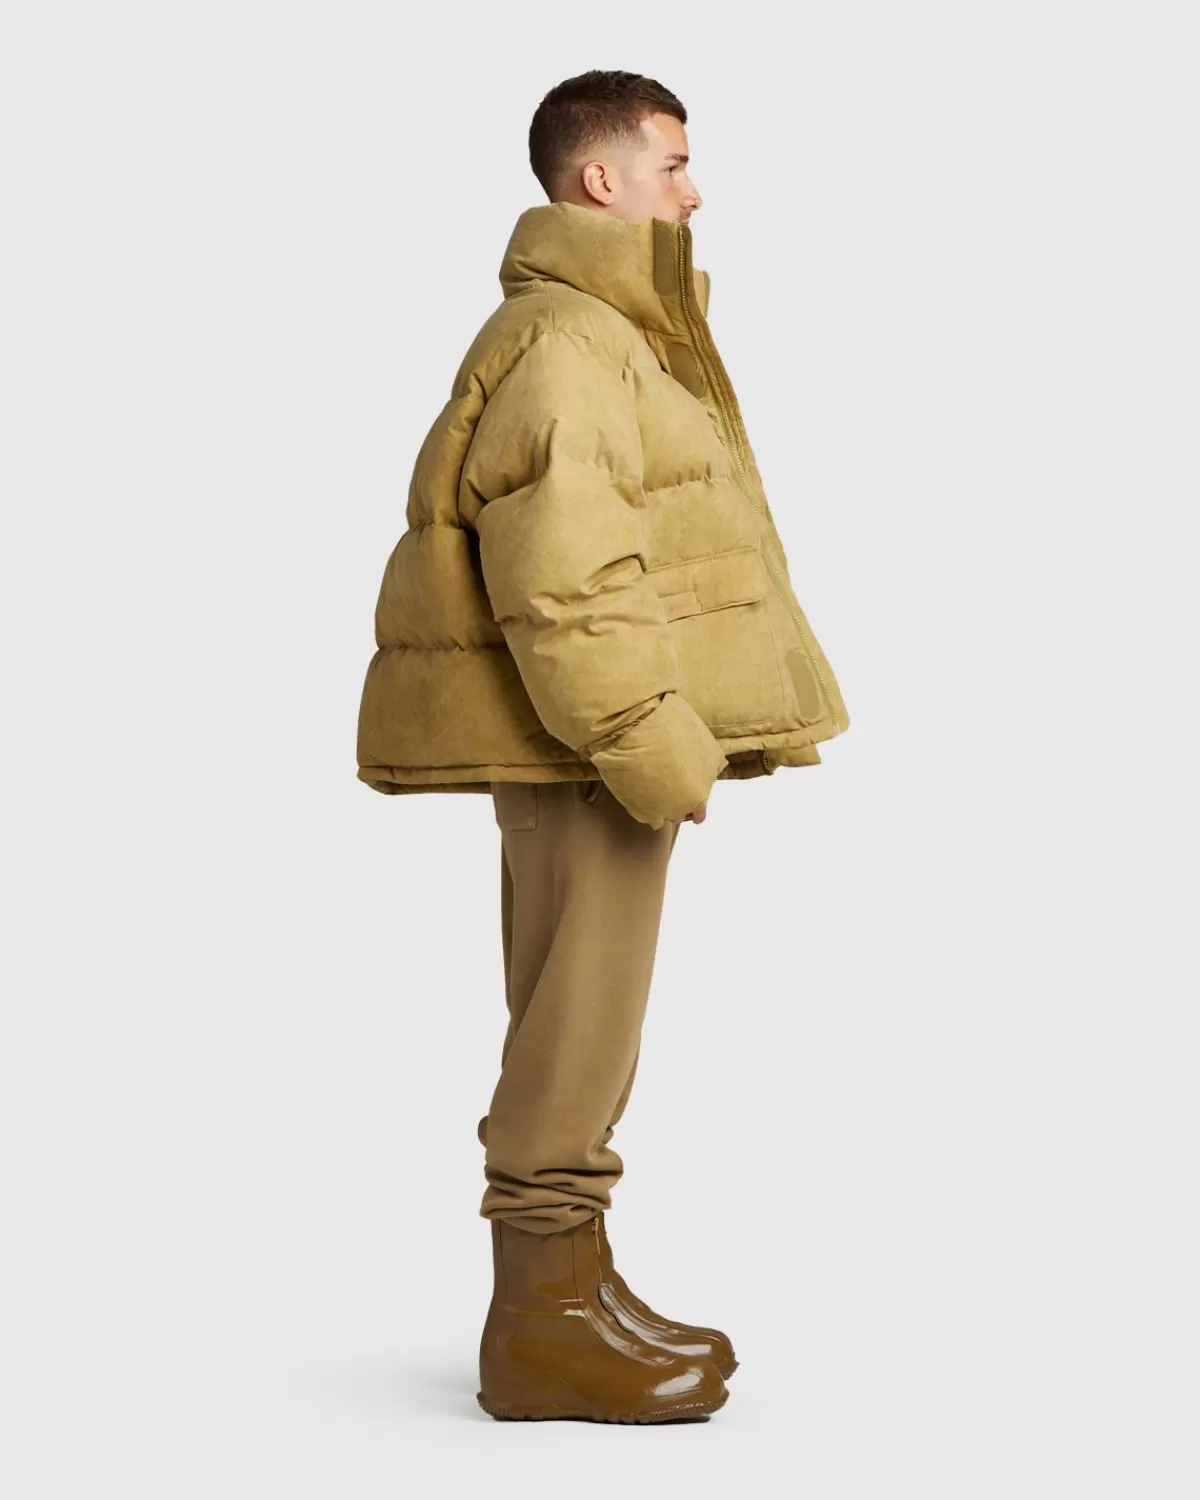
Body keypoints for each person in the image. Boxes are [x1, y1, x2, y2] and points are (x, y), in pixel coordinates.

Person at [355, 69, 850, 1422]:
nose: (694, 192)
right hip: (585, 747)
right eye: (674, 165)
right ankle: (543, 1325)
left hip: (580, 744)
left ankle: (573, 1291)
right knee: (578, 1025)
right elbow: (566, 577)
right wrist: (650, 740)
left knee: (578, 1018)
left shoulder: (595, 329)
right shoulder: (574, 341)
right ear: (601, 180)